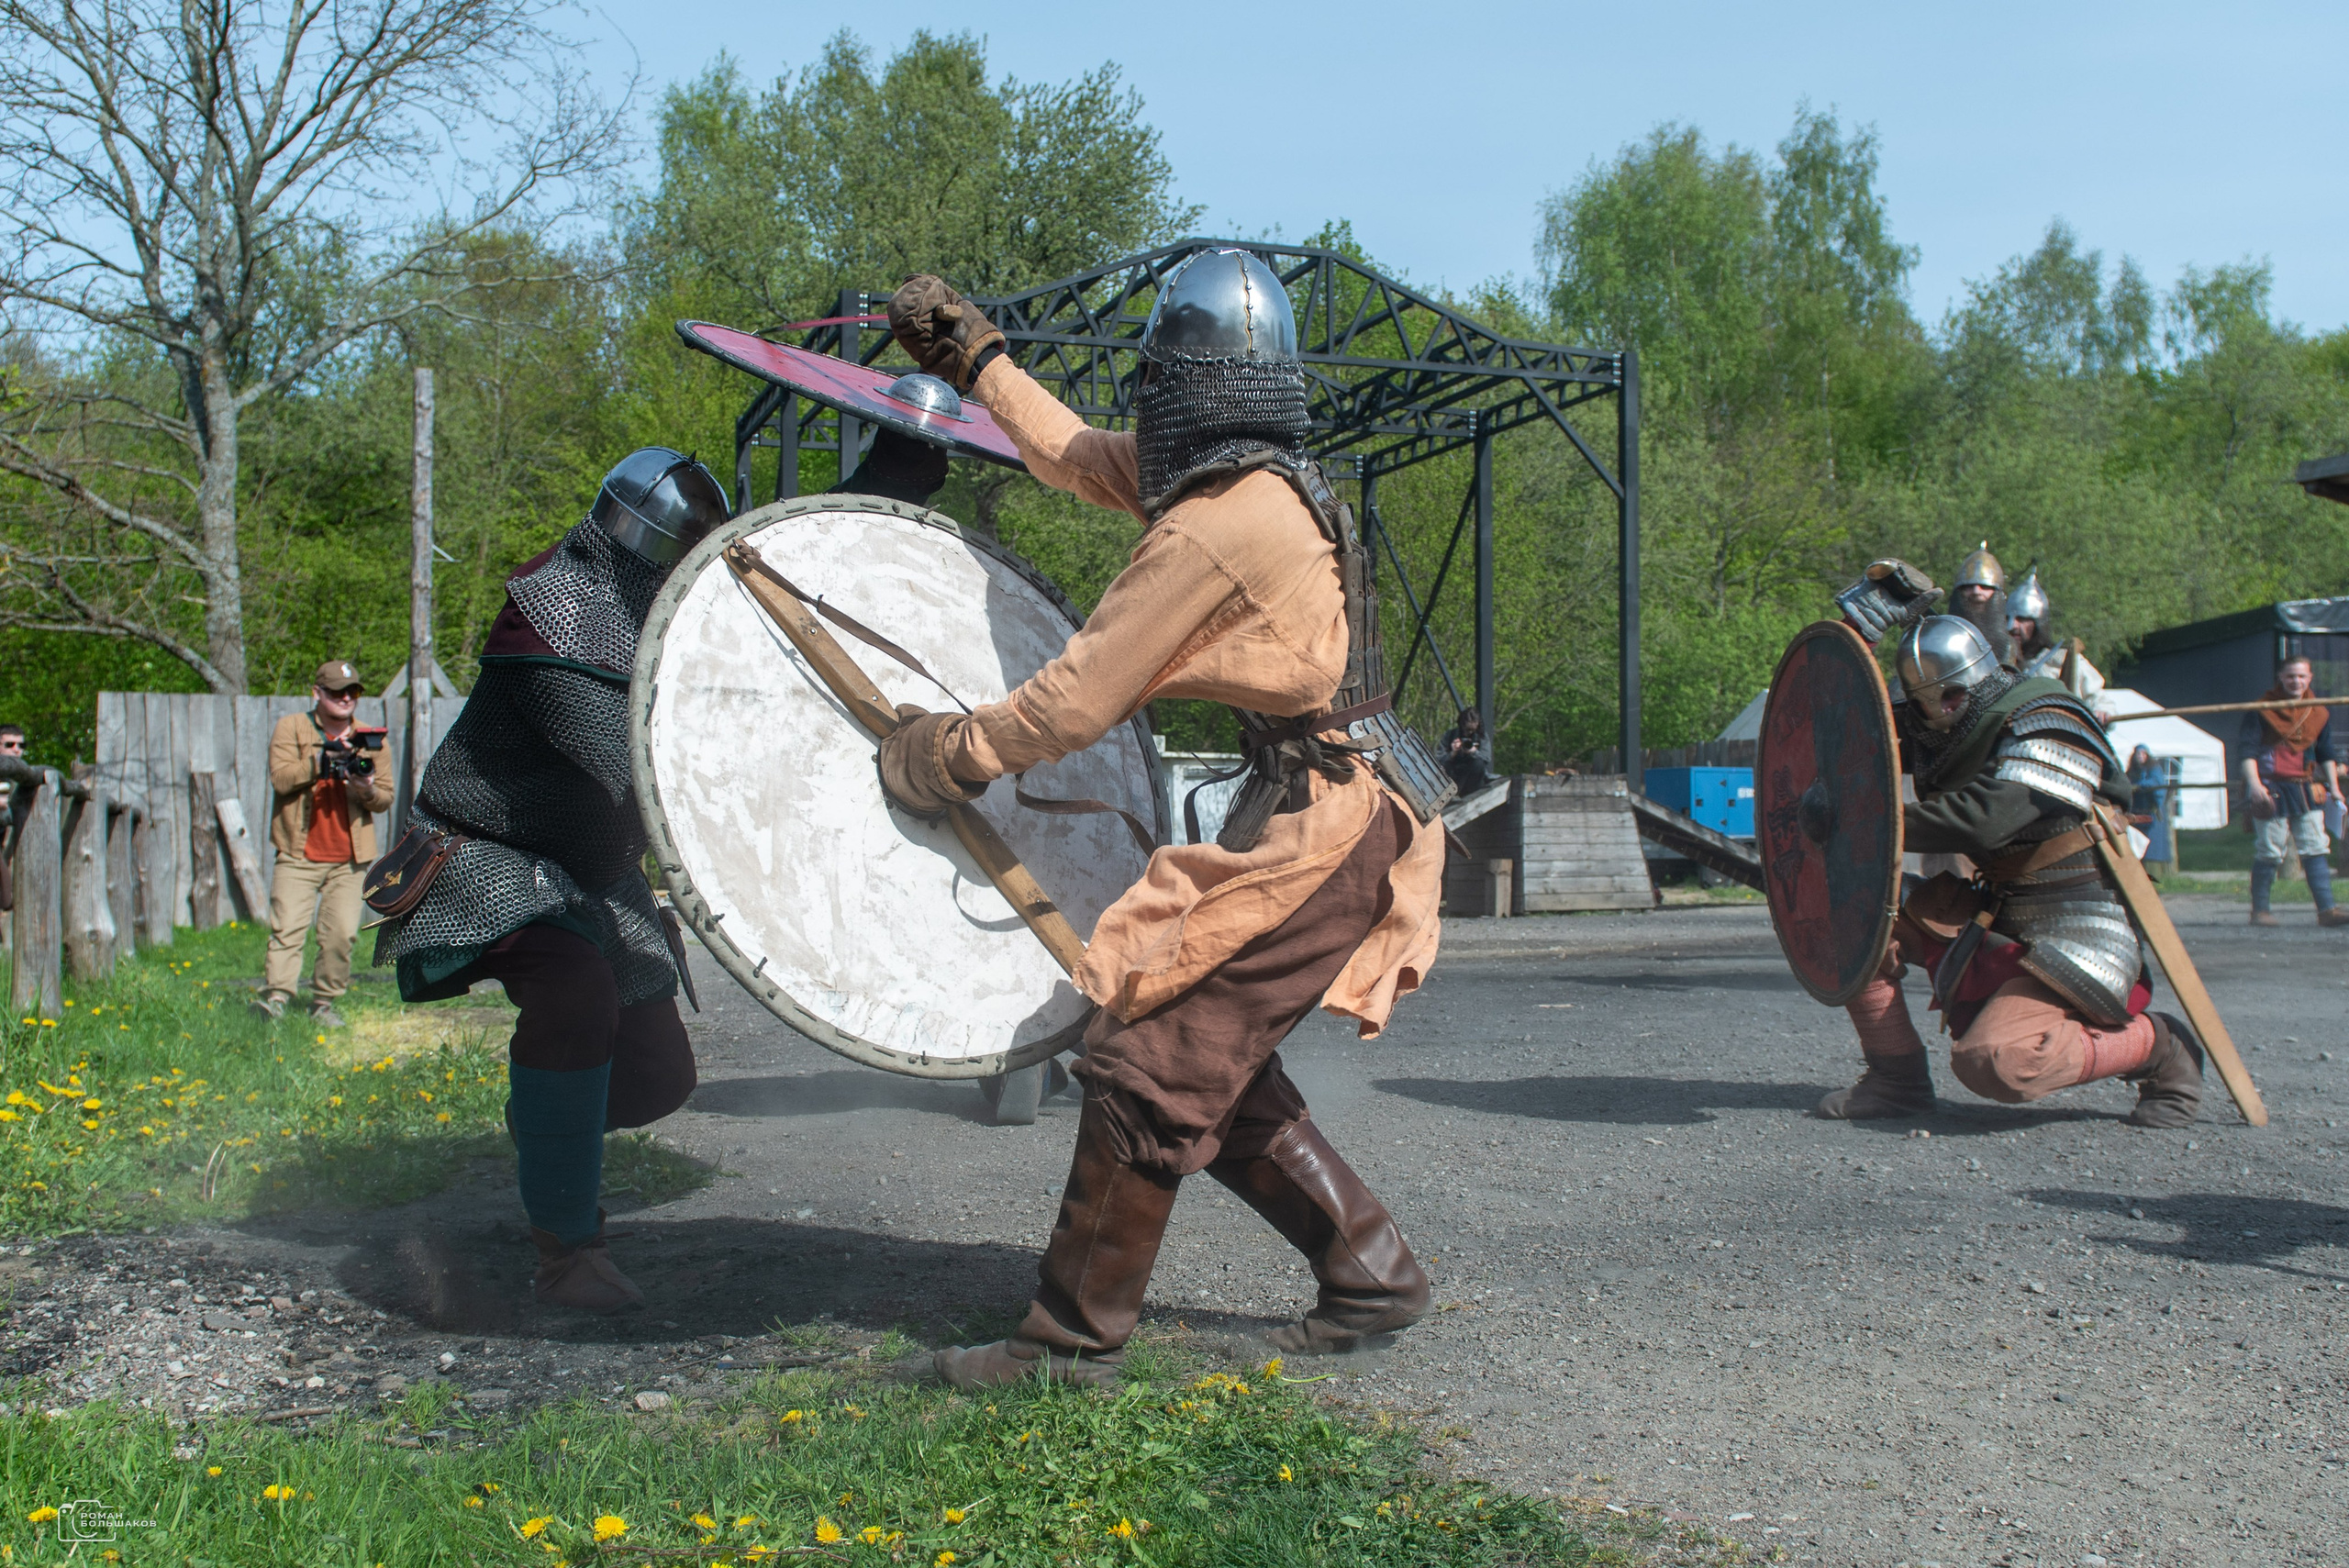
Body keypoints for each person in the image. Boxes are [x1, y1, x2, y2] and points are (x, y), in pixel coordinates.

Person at [880, 253, 1445, 1387]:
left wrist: (946, 752)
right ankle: (1370, 1271)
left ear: (1179, 381)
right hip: (1336, 802)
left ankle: (1067, 1340)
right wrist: (980, 361)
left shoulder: (1219, 525)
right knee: (1209, 1058)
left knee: (1147, 1058)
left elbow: (1075, 699)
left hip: (1324, 823)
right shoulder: (1245, 480)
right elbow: (1073, 456)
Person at [373, 447, 726, 1311]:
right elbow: (630, 766)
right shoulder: (552, 612)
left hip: (593, 871)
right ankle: (567, 1252)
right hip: (493, 851)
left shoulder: (669, 621)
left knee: (660, 1076)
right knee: (576, 995)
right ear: (643, 542)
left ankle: (546, 1129)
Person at [1825, 563, 2206, 1129]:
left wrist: (1869, 824)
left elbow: (1985, 819)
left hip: (2077, 921)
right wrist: (1859, 628)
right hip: (1996, 909)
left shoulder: (2047, 716)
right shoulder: (1945, 727)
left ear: (1981, 677)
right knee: (1852, 920)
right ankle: (1896, 1080)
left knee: (1996, 1064)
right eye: (1932, 700)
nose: (1944, 707)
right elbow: (1849, 723)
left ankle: (2159, 1045)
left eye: (1954, 694)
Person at [254, 662, 396, 1027]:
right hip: (297, 851)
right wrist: (321, 760)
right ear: (317, 693)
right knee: (287, 928)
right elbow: (281, 779)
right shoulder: (293, 728)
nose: (346, 698)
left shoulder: (372, 738)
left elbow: (385, 798)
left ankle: (323, 1005)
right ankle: (276, 999)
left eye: (353, 692)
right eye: (336, 692)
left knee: (341, 935)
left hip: (350, 858)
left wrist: (365, 789)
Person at [2240, 654, 2345, 929]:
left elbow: (2326, 754)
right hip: (2270, 788)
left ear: (2310, 678)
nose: (2296, 681)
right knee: (2271, 850)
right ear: (2281, 678)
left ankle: (2327, 911)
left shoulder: (2318, 711)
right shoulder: (2261, 709)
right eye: (2290, 676)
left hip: (2306, 789)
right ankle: (2259, 911)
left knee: (2315, 847)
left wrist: (2334, 788)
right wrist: (2254, 785)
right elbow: (2247, 751)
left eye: (2301, 676)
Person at [2006, 565, 2103, 699]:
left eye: (2022, 619)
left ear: (2038, 624)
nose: (2012, 626)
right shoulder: (1999, 664)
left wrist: (2101, 710)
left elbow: (2097, 698)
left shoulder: (2063, 661)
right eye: (2008, 618)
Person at [2127, 743, 2176, 881]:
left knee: (2152, 844)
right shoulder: (2133, 770)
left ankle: (2155, 873)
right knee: (2136, 841)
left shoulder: (2154, 769)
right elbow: (2127, 781)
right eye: (2138, 754)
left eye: (2143, 754)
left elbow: (2155, 783)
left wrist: (2140, 786)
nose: (2140, 757)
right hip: (2137, 812)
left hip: (2152, 812)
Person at [1440, 706, 1494, 794]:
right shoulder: (1450, 735)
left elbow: (1487, 758)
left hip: (1473, 779)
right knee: (1446, 766)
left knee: (1478, 763)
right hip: (1453, 775)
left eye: (1472, 730)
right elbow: (1438, 760)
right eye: (1467, 729)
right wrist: (1452, 753)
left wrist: (1473, 752)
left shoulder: (1481, 736)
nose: (1469, 733)